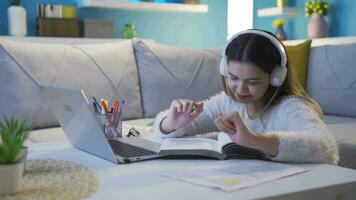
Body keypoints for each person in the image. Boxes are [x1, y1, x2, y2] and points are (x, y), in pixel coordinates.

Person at [153, 29, 339, 164]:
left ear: (276, 77)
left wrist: (254, 140)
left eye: (252, 81)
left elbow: (326, 146)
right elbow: (163, 127)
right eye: (233, 78)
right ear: (225, 69)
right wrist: (171, 122)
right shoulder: (227, 102)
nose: (240, 89)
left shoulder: (291, 107)